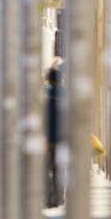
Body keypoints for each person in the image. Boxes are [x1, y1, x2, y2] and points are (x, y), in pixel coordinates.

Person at [45, 61, 64, 208]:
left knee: (48, 169)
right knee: (59, 169)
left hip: (47, 138)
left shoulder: (43, 93)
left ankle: (49, 199)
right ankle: (59, 198)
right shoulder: (64, 93)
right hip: (61, 137)